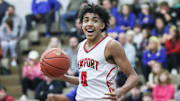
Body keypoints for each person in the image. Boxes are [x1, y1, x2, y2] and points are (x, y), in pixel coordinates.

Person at [46, 4, 139, 101]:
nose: (89, 24)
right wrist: (64, 77)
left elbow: (134, 76)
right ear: (81, 25)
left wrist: (121, 91)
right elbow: (85, 80)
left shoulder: (111, 45)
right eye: (86, 20)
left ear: (102, 25)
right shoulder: (80, 46)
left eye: (95, 20)